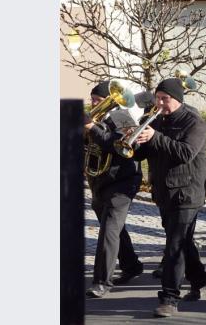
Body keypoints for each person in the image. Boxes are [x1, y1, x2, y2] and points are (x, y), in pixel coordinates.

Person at [133, 78, 206, 318]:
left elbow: (186, 153)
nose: (158, 103)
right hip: (164, 191)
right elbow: (142, 154)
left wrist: (155, 136)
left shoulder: (194, 121)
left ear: (177, 99)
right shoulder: (156, 120)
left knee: (174, 245)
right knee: (182, 241)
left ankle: (169, 298)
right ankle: (200, 278)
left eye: (164, 99)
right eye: (157, 98)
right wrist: (135, 141)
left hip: (187, 191)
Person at [84, 81, 144, 298]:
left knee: (109, 229)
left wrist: (92, 128)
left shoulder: (122, 118)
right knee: (114, 228)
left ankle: (101, 282)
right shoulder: (93, 119)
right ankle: (132, 265)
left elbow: (122, 146)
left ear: (111, 101)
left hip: (123, 182)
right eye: (92, 99)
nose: (93, 104)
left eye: (98, 100)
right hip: (100, 181)